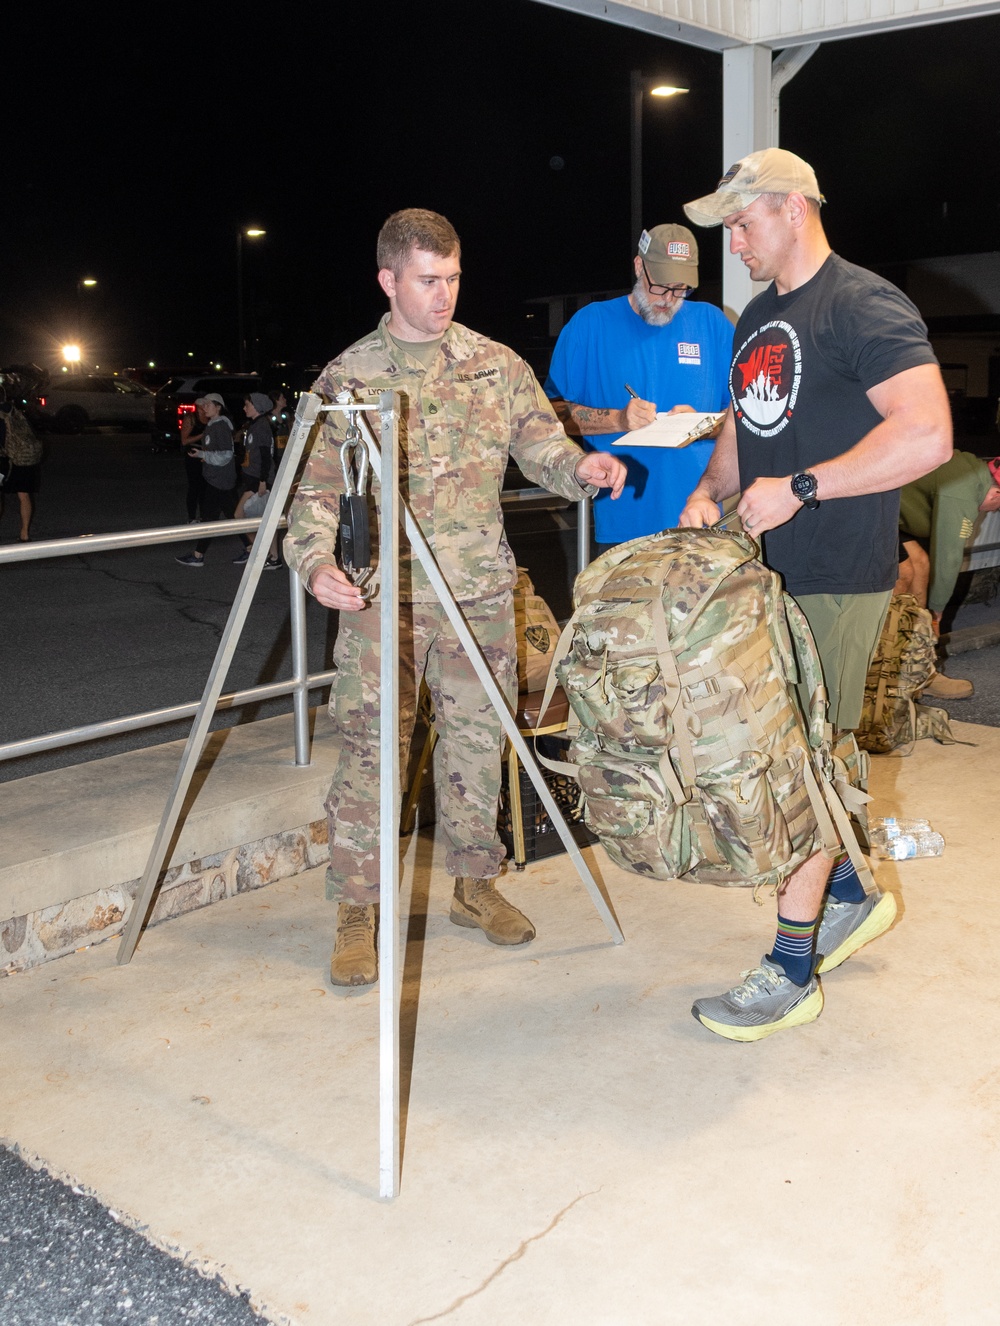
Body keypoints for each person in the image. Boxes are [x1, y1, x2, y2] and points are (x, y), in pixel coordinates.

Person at [284, 208, 626, 988]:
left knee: (479, 746)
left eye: (454, 279)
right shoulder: (349, 378)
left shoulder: (495, 363)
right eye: (429, 281)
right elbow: (310, 494)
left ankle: (474, 887)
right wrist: (313, 565)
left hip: (477, 594)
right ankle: (358, 908)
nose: (445, 295)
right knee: (374, 755)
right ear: (389, 280)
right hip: (384, 602)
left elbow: (540, 447)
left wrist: (583, 471)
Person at [677, 148, 952, 1040]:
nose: (735, 241)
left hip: (836, 572)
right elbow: (747, 426)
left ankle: (793, 964)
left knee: (810, 764)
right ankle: (848, 891)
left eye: (743, 222)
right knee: (773, 751)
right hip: (764, 575)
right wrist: (711, 488)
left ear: (792, 209)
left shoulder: (863, 303)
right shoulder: (760, 315)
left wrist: (804, 488)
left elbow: (927, 436)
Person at [544, 223, 733, 552]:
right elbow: (549, 416)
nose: (668, 299)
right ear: (638, 266)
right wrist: (618, 420)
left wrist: (701, 425)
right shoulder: (590, 326)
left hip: (699, 518)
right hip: (623, 521)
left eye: (681, 289)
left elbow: (742, 416)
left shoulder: (712, 323)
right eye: (660, 286)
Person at [895, 451, 1000, 698]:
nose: (994, 511)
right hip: (866, 505)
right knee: (903, 575)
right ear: (997, 493)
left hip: (894, 517)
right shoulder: (963, 490)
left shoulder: (973, 470)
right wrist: (937, 611)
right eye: (998, 506)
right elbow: (948, 556)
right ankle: (886, 670)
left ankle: (918, 668)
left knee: (920, 565)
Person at [174, 393, 238, 567]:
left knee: (211, 518)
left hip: (220, 480)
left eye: (208, 405)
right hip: (217, 479)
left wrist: (203, 455)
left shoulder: (220, 426)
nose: (204, 407)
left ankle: (198, 556)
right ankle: (252, 548)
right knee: (232, 515)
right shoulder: (213, 425)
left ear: (218, 407)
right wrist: (204, 455)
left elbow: (225, 455)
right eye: (203, 405)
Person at [233, 392, 281, 569]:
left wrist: (262, 480)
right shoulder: (255, 425)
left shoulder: (261, 426)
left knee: (239, 515)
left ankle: (261, 551)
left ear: (257, 407)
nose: (244, 408)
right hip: (254, 477)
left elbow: (265, 456)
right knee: (266, 519)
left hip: (258, 479)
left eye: (248, 405)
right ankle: (273, 557)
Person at [0, 394, 42, 541]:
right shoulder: (14, 411)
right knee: (24, 496)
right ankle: (24, 533)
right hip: (22, 455)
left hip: (3, 458)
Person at [180, 397, 208, 523]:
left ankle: (203, 515)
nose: (205, 407)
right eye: (203, 405)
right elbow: (184, 440)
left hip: (206, 454)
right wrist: (202, 434)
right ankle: (191, 517)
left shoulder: (209, 417)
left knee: (204, 486)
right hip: (193, 454)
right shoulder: (191, 418)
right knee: (194, 486)